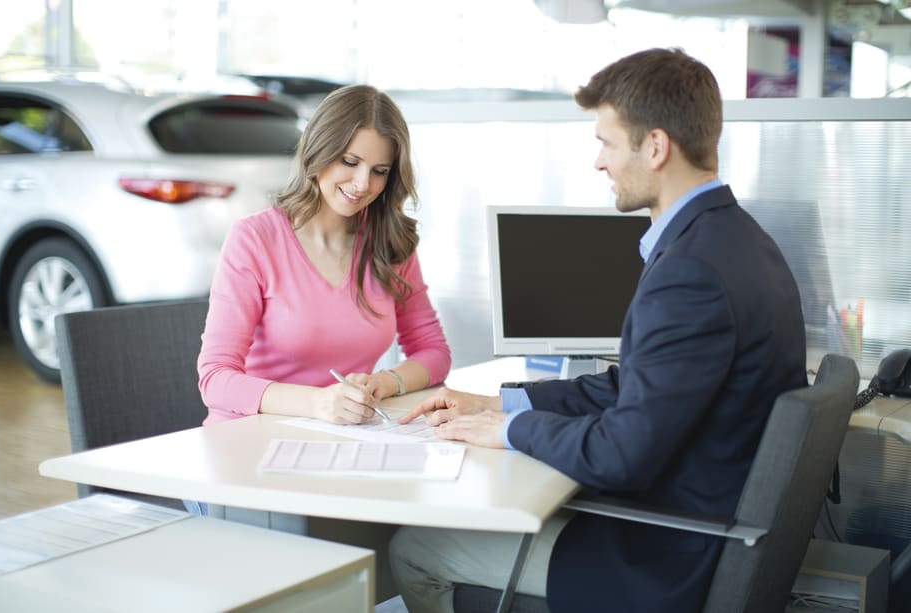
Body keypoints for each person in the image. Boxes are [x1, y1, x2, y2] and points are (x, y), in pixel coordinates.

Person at [389, 48, 808, 613]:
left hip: (666, 555)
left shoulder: (691, 273)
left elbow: (622, 455)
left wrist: (512, 430)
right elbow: (633, 389)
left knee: (417, 548)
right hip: (702, 519)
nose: (599, 163)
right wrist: (499, 402)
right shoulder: (741, 241)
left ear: (655, 147)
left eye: (607, 143)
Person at [197, 84, 451, 427]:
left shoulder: (389, 243)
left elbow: (434, 352)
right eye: (350, 162)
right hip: (249, 436)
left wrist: (383, 383)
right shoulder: (254, 239)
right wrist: (316, 402)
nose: (363, 184)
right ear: (318, 150)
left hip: (343, 435)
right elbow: (215, 380)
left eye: (380, 170)